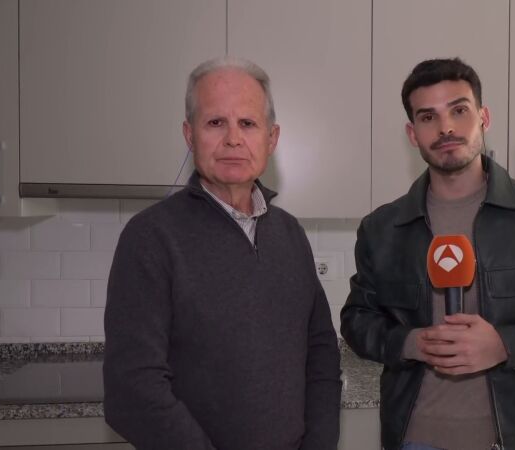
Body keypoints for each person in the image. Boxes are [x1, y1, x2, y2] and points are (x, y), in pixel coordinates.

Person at [340, 58, 515, 450]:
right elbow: (357, 320)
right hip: (415, 438)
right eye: (428, 117)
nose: (446, 128)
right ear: (412, 133)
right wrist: (410, 343)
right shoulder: (382, 229)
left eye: (459, 110)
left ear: (483, 118)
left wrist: (506, 345)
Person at [103, 56, 341, 450]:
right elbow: (131, 389)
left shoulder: (290, 234)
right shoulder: (150, 238)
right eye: (215, 122)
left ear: (271, 138)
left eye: (247, 123)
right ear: (189, 135)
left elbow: (321, 355)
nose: (233, 139)